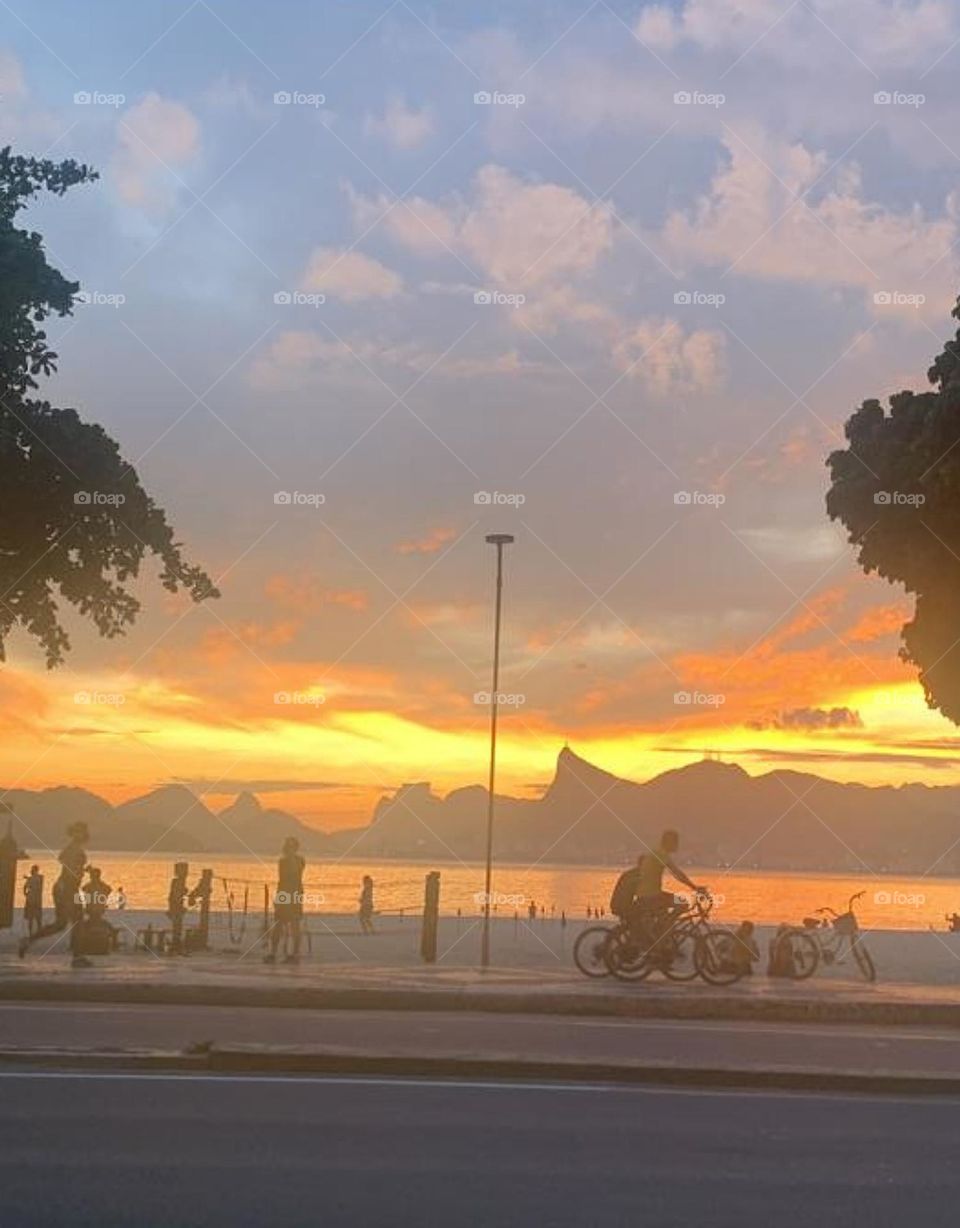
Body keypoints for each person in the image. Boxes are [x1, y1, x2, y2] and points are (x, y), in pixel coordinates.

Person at [19, 822, 91, 967]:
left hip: (67, 888)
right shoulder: (73, 849)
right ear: (73, 833)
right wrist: (77, 871)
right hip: (66, 888)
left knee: (61, 924)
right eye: (78, 832)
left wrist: (82, 871)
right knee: (77, 921)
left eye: (82, 832)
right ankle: (77, 957)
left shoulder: (75, 849)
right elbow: (65, 863)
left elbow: (69, 865)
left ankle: (29, 940)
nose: (80, 834)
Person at [629, 830, 706, 956]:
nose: (677, 846)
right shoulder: (661, 853)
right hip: (651, 896)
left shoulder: (657, 852)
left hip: (649, 894)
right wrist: (694, 887)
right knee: (683, 902)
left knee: (674, 905)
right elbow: (676, 873)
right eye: (676, 842)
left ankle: (661, 929)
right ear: (669, 842)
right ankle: (662, 930)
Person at [265, 836, 305, 965]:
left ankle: (294, 954)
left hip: (294, 894)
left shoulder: (300, 861)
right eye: (288, 847)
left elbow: (295, 873)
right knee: (279, 924)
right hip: (285, 893)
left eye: (291, 847)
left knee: (294, 924)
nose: (289, 849)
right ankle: (273, 953)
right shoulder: (283, 861)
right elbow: (283, 879)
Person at [22, 865, 43, 938]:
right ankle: (37, 932)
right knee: (37, 917)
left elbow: (25, 887)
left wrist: (26, 893)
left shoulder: (33, 879)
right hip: (36, 900)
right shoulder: (40, 878)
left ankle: (32, 933)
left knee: (32, 917)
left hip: (31, 900)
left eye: (32, 870)